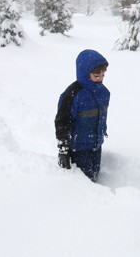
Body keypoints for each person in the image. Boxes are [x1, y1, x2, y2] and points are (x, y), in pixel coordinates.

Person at [54, 49, 110, 182]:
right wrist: (63, 150)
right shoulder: (73, 95)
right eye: (97, 76)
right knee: (85, 181)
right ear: (85, 73)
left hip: (97, 143)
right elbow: (62, 122)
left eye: (103, 75)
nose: (100, 79)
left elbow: (101, 115)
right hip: (79, 147)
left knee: (96, 173)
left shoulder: (104, 93)